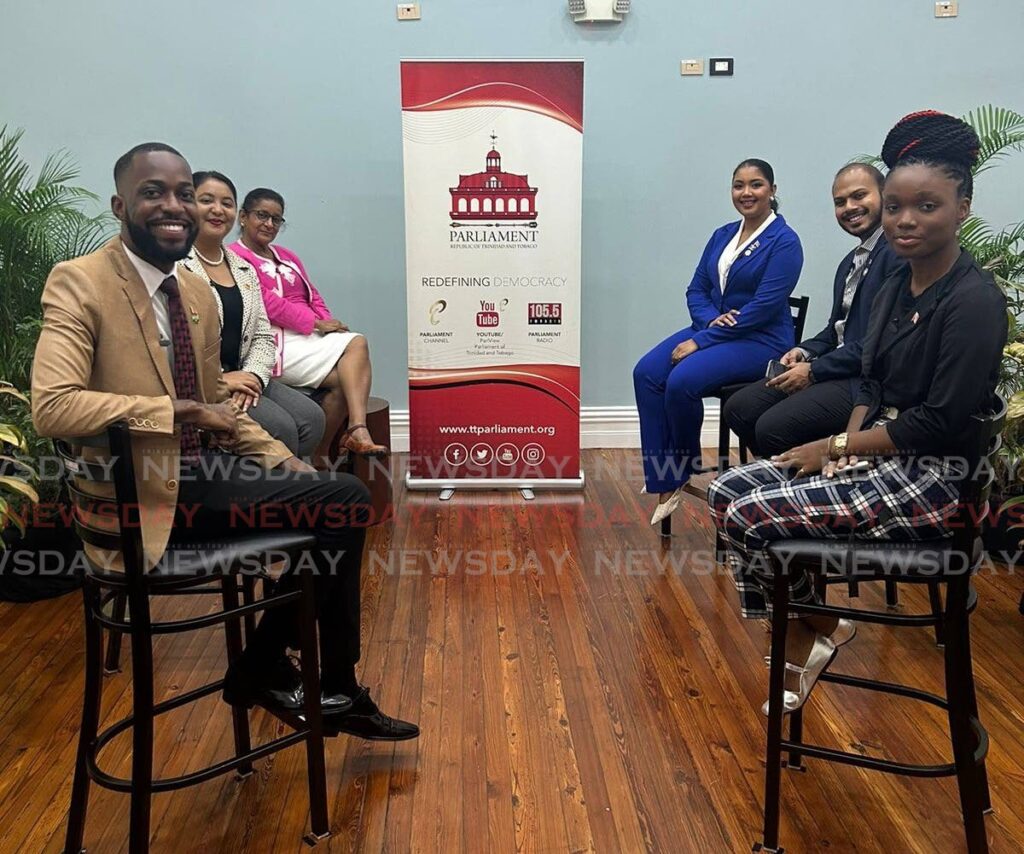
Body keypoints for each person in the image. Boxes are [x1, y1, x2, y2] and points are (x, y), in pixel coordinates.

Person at [32, 143, 417, 740]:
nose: (175, 206)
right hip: (140, 504)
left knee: (335, 496)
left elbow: (219, 410)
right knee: (342, 504)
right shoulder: (80, 283)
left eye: (183, 193)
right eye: (153, 193)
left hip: (200, 476)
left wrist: (286, 462)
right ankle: (297, 677)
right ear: (119, 205)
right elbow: (53, 406)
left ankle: (315, 680)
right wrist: (174, 411)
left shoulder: (194, 294)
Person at [707, 111, 1007, 715]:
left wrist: (837, 450)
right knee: (725, 492)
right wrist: (846, 444)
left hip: (933, 481)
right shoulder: (898, 284)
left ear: (963, 207)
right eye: (895, 207)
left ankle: (801, 639)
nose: (905, 220)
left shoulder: (975, 302)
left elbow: (940, 424)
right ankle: (819, 623)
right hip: (881, 452)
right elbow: (870, 374)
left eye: (927, 206)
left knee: (754, 516)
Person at [633, 159, 804, 525]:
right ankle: (665, 477)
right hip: (717, 327)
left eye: (756, 185)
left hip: (760, 339)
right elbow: (696, 288)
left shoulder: (785, 242)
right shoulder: (722, 234)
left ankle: (680, 468)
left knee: (682, 380)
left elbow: (762, 308)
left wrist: (703, 340)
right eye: (738, 185)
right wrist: (710, 319)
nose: (746, 193)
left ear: (773, 190)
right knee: (646, 372)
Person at [724, 163, 903, 456]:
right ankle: (785, 478)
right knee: (740, 408)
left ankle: (801, 485)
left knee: (771, 427)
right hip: (836, 367)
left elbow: (879, 341)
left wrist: (814, 371)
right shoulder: (850, 261)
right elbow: (836, 328)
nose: (850, 207)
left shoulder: (896, 256)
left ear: (884, 195)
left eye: (859, 196)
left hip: (867, 381)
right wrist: (804, 352)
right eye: (840, 202)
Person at [229, 190, 385, 466]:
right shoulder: (235, 257)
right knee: (357, 342)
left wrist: (329, 325)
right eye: (262, 216)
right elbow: (267, 304)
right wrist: (315, 324)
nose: (269, 224)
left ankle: (319, 454)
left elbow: (312, 294)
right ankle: (357, 429)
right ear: (243, 217)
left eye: (276, 219)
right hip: (272, 343)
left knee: (343, 382)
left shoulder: (286, 255)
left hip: (305, 337)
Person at [178, 170, 326, 458]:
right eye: (206, 200)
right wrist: (223, 381)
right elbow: (175, 342)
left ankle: (286, 492)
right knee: (281, 428)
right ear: (186, 206)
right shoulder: (176, 266)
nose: (218, 210)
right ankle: (264, 494)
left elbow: (261, 333)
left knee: (312, 419)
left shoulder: (243, 267)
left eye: (227, 203)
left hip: (247, 372)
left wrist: (255, 376)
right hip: (205, 382)